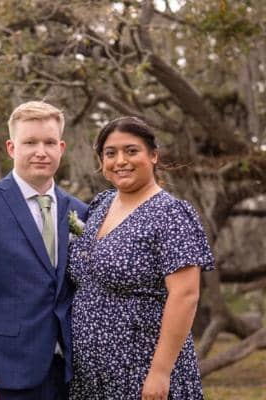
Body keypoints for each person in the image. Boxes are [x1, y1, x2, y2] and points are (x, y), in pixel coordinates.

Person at [0, 101, 88, 400]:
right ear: (11, 148)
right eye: (30, 142)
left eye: (50, 142)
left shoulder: (81, 212)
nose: (41, 151)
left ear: (61, 148)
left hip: (69, 376)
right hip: (2, 375)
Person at [67, 116, 215, 400]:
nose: (120, 161)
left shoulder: (170, 214)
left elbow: (185, 295)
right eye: (111, 153)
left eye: (131, 151)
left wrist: (160, 372)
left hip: (142, 370)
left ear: (153, 155)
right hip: (91, 376)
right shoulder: (100, 205)